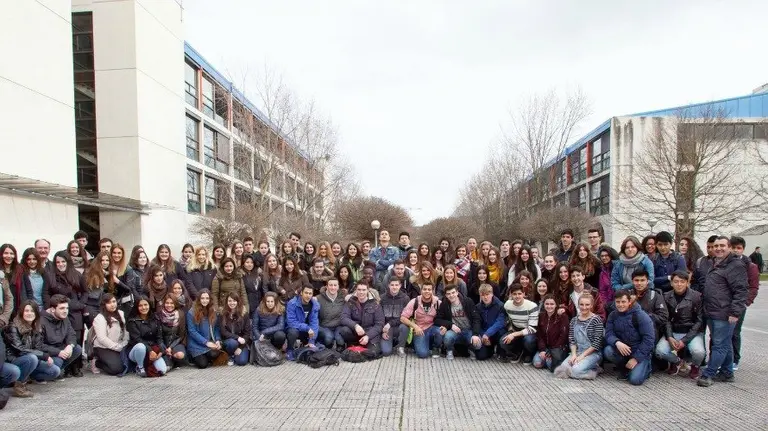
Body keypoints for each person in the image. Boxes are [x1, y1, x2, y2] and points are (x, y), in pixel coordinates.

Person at [698, 236, 748, 387]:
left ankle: (709, 374)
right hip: (712, 311)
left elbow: (741, 291)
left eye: (722, 246)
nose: (718, 248)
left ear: (729, 247)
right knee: (724, 342)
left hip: (725, 314)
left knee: (719, 345)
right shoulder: (716, 263)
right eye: (715, 246)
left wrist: (734, 312)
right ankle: (727, 372)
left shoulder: (735, 265)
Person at [654, 270, 705, 379]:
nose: (679, 284)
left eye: (682, 282)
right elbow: (665, 319)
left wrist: (684, 340)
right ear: (671, 283)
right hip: (674, 331)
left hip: (692, 332)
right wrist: (669, 336)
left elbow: (699, 321)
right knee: (660, 351)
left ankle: (695, 366)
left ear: (688, 283)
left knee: (699, 352)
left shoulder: (697, 297)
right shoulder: (666, 296)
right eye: (676, 282)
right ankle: (677, 362)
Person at [5, 300, 62, 395]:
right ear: (22, 312)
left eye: (32, 311)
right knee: (32, 357)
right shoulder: (13, 326)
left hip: (31, 360)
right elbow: (19, 348)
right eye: (26, 311)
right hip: (15, 359)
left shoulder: (37, 327)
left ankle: (28, 376)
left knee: (55, 371)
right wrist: (44, 356)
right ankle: (19, 385)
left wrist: (50, 354)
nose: (29, 313)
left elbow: (38, 347)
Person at [603, 290, 655, 385]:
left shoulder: (640, 315)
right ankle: (624, 369)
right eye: (618, 302)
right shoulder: (613, 315)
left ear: (629, 301)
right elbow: (608, 333)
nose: (620, 305)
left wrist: (636, 358)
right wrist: (616, 342)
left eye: (623, 302)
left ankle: (646, 368)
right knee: (608, 351)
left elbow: (649, 339)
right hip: (623, 350)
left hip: (639, 351)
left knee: (635, 380)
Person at [729, 236, 760, 370]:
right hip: (724, 303)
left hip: (740, 304)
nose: (736, 251)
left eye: (739, 248)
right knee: (722, 333)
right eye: (733, 248)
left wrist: (746, 302)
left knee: (735, 332)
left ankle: (735, 359)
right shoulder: (726, 263)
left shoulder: (751, 266)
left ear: (743, 249)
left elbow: (753, 287)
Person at [561, 293, 605, 380]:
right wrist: (574, 355)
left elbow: (597, 343)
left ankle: (595, 370)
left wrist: (582, 357)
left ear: (591, 305)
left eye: (587, 304)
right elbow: (572, 340)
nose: (584, 307)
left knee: (575, 371)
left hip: (593, 353)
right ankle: (583, 368)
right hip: (578, 351)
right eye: (581, 304)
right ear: (578, 305)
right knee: (562, 370)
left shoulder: (596, 320)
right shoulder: (574, 320)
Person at [435, 284, 481, 360]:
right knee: (448, 337)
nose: (451, 295)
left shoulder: (467, 301)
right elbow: (437, 319)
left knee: (478, 345)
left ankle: (471, 349)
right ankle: (449, 350)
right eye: (448, 294)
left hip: (468, 329)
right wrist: (451, 325)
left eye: (453, 293)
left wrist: (475, 334)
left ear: (457, 292)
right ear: (446, 295)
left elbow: (476, 318)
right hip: (454, 331)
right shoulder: (444, 304)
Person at [40, 294, 83, 376]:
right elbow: (39, 345)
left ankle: (57, 371)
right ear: (52, 309)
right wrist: (58, 352)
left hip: (59, 349)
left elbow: (72, 334)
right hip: (46, 354)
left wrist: (70, 345)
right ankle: (41, 376)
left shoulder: (64, 317)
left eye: (67, 308)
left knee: (77, 348)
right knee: (58, 362)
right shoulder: (41, 321)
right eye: (62, 308)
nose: (65, 311)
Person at [126, 296, 166, 377]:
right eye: (140, 305)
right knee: (141, 347)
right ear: (137, 307)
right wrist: (150, 350)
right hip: (137, 350)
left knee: (162, 370)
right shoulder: (132, 321)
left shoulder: (155, 318)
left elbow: (159, 337)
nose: (143, 307)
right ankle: (140, 367)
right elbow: (137, 339)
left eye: (145, 305)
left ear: (149, 305)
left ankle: (147, 363)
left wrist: (161, 351)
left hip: (153, 349)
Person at [399, 284, 442, 359]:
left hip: (432, 328)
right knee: (423, 354)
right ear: (421, 290)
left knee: (440, 331)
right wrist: (415, 327)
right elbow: (402, 318)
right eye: (424, 289)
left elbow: (445, 317)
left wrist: (445, 326)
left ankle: (436, 348)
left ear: (433, 291)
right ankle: (418, 344)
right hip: (419, 329)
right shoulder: (414, 301)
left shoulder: (438, 303)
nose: (427, 291)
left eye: (429, 289)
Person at [499, 284, 539, 363]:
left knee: (529, 341)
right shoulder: (507, 305)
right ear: (511, 295)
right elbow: (507, 317)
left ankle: (528, 354)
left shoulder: (532, 306)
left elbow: (533, 329)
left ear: (523, 294)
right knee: (502, 342)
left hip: (529, 332)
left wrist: (514, 334)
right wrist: (510, 327)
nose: (517, 296)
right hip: (515, 329)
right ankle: (516, 352)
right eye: (514, 294)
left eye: (519, 294)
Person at [91, 293, 130, 375]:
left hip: (119, 344)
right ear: (104, 304)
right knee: (117, 369)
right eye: (109, 303)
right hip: (103, 347)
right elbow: (102, 339)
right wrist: (117, 347)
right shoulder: (99, 318)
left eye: (114, 301)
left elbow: (126, 331)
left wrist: (125, 342)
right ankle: (97, 362)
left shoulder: (121, 313)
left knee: (127, 365)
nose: (112, 305)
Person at [339, 282, 385, 349]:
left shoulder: (375, 304)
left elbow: (380, 324)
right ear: (356, 290)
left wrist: (368, 336)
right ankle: (353, 344)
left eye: (363, 290)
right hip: (355, 332)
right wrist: (355, 326)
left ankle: (363, 344)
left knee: (373, 352)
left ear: (368, 290)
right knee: (344, 330)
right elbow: (343, 318)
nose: (361, 292)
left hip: (370, 331)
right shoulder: (350, 302)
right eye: (359, 289)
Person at [186, 289, 222, 369]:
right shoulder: (191, 312)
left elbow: (216, 328)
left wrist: (217, 340)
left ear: (210, 299)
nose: (205, 300)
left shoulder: (213, 311)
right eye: (202, 298)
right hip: (196, 343)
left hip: (209, 342)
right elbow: (192, 331)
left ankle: (206, 355)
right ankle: (192, 356)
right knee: (203, 364)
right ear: (199, 299)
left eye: (207, 298)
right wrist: (206, 342)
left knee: (215, 353)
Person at [628, 268, 667, 340]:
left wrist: (645, 316)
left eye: (642, 280)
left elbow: (663, 317)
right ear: (632, 281)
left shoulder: (655, 295)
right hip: (629, 333)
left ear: (647, 281)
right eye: (636, 280)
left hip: (649, 333)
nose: (639, 283)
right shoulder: (627, 295)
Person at [532, 295, 568, 371]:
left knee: (550, 365)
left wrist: (551, 352)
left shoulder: (562, 316)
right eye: (547, 304)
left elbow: (563, 336)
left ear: (556, 305)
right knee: (537, 363)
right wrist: (542, 350)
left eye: (552, 304)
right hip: (545, 347)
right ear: (544, 304)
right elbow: (539, 335)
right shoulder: (541, 316)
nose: (549, 306)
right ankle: (547, 359)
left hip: (557, 348)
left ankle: (552, 361)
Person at [285, 285, 320, 360]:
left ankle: (307, 345)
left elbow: (314, 323)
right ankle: (290, 350)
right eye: (306, 293)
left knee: (321, 332)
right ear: (301, 293)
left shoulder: (315, 305)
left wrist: (312, 341)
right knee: (292, 332)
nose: (308, 295)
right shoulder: (292, 303)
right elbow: (291, 322)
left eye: (310, 293)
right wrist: (307, 328)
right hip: (294, 328)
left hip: (307, 330)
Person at [475, 284, 506, 361]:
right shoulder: (478, 307)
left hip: (496, 333)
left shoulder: (500, 305)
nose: (485, 297)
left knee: (501, 331)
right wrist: (483, 335)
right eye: (482, 295)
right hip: (485, 335)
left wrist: (488, 334)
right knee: (480, 356)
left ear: (492, 294)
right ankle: (490, 350)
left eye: (487, 294)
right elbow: (477, 323)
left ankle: (500, 350)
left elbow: (500, 322)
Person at [220, 292, 251, 366]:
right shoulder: (222, 313)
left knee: (242, 362)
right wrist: (237, 338)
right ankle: (230, 355)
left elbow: (247, 333)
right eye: (229, 301)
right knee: (232, 343)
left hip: (242, 343)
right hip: (228, 342)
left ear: (238, 302)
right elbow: (223, 331)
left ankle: (235, 355)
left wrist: (240, 348)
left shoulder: (244, 314)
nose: (232, 303)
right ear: (227, 302)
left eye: (234, 301)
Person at [380, 278, 410, 356]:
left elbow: (405, 317)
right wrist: (382, 330)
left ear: (400, 286)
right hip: (386, 328)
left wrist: (390, 323)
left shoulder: (405, 298)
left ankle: (400, 347)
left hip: (399, 326)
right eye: (392, 285)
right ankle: (392, 343)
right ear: (388, 286)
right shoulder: (382, 298)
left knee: (404, 327)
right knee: (386, 352)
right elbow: (379, 316)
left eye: (396, 285)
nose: (394, 287)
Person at [157, 294, 187, 369]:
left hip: (175, 343)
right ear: (164, 304)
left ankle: (173, 359)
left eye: (172, 303)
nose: (169, 305)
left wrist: (170, 347)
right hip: (162, 344)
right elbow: (158, 337)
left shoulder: (180, 314)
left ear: (175, 304)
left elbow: (181, 335)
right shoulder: (159, 315)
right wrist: (165, 349)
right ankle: (169, 361)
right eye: (167, 303)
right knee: (165, 367)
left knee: (180, 355)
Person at [316, 278, 346, 350]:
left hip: (338, 326)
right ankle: (327, 344)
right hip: (324, 326)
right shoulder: (318, 298)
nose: (333, 287)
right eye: (330, 285)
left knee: (339, 339)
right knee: (329, 338)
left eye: (335, 285)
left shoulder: (342, 298)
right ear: (326, 286)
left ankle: (340, 345)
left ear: (338, 287)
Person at [597, 246, 619, 314]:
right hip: (609, 303)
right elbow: (602, 290)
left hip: (619, 300)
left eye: (606, 255)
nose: (604, 258)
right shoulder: (602, 273)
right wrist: (605, 303)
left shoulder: (618, 267)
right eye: (602, 256)